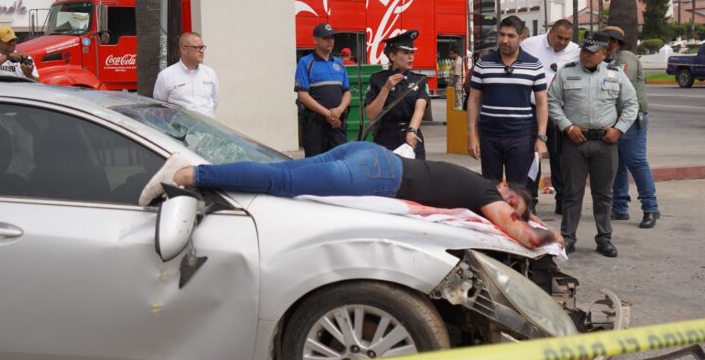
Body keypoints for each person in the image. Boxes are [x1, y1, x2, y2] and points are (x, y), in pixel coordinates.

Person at [138, 142, 564, 250]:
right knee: (280, 181)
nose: (508, 211)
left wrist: (530, 218)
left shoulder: (475, 183)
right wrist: (549, 235)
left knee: (280, 172)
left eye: (516, 210)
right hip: (377, 172)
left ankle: (196, 169)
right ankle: (191, 173)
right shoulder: (485, 189)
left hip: (369, 156)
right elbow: (520, 234)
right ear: (506, 188)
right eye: (514, 203)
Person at [547, 32, 638, 257]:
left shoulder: (615, 75)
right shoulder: (566, 72)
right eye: (584, 51)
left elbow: (631, 104)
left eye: (592, 52)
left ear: (604, 53)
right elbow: (552, 102)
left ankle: (604, 239)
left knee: (604, 194)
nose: (586, 55)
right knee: (571, 193)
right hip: (574, 142)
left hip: (605, 143)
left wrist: (619, 129)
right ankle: (568, 238)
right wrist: (568, 127)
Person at [467, 16, 549, 189]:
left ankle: (515, 217)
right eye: (502, 35)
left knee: (517, 189)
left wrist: (541, 138)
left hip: (520, 136)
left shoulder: (534, 65)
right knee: (490, 188)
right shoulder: (483, 63)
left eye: (511, 36)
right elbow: (474, 100)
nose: (505, 40)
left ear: (521, 38)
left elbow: (542, 103)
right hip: (489, 136)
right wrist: (471, 135)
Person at [601, 26, 661, 229]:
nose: (601, 45)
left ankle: (650, 208)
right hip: (617, 120)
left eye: (604, 41)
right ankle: (620, 207)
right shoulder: (612, 59)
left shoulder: (625, 58)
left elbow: (619, 85)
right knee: (618, 165)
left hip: (631, 118)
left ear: (613, 42)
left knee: (636, 162)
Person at [521, 19, 580, 215]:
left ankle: (562, 200)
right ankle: (530, 200)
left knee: (560, 158)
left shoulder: (576, 51)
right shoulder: (530, 45)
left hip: (559, 112)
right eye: (559, 37)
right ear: (550, 33)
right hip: (531, 109)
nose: (563, 42)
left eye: (566, 39)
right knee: (532, 157)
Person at [365, 30, 428, 159]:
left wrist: (412, 130)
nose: (411, 57)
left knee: (416, 176)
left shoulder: (419, 79)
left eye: (412, 52)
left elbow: (420, 109)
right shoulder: (377, 79)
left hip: (411, 133)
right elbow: (371, 114)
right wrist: (386, 88)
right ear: (393, 57)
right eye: (405, 53)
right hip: (386, 136)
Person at [295, 23, 351, 157]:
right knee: (315, 165)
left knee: (340, 164)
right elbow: (302, 95)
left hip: (337, 124)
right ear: (315, 40)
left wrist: (339, 110)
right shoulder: (305, 62)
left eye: (332, 38)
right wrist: (328, 114)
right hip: (316, 125)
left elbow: (347, 92)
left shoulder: (339, 63)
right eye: (326, 38)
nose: (330, 41)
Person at [153, 32, 219, 118]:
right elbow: (160, 107)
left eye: (202, 47)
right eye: (197, 47)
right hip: (179, 129)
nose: (202, 51)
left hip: (207, 129)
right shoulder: (166, 76)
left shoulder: (210, 73)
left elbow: (214, 102)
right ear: (183, 49)